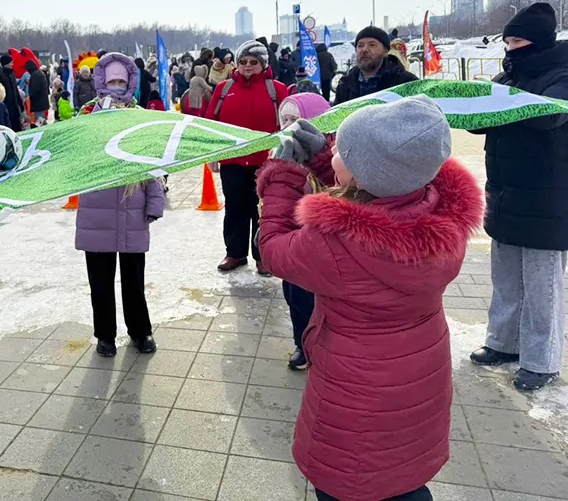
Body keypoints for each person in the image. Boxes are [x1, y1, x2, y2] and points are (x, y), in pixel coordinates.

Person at [257, 97, 482, 501]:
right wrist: (326, 161)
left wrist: (282, 177)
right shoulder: (441, 213)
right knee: (404, 477)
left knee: (349, 481)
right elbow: (379, 197)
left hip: (355, 391)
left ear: (362, 175)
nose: (337, 151)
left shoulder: (335, 244)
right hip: (418, 378)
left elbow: (273, 249)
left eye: (344, 150)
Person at [469, 3, 568, 392]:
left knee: (542, 284)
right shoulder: (505, 77)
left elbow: (548, 116)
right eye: (508, 41)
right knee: (506, 276)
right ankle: (503, 343)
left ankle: (541, 361)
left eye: (519, 40)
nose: (511, 48)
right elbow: (480, 121)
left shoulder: (560, 75)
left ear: (540, 41)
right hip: (505, 192)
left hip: (547, 198)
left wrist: (499, 102)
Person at [76, 52, 164, 357]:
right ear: (102, 82)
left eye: (121, 81)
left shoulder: (139, 116)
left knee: (133, 279)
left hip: (132, 206)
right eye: (111, 80)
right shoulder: (87, 116)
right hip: (96, 208)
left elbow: (153, 162)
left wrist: (155, 201)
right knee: (99, 281)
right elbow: (73, 159)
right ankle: (105, 335)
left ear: (130, 83)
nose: (116, 86)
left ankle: (140, 331)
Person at [206, 41, 288, 273]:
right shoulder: (223, 88)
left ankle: (263, 256)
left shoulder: (278, 90)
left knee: (263, 209)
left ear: (263, 64)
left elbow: (289, 123)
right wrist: (213, 153)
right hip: (233, 160)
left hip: (266, 162)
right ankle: (235, 253)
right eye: (243, 62)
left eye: (254, 62)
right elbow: (211, 122)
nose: (248, 66)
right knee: (235, 207)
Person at [271, 92, 331, 370]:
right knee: (294, 297)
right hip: (293, 243)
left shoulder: (332, 156)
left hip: (324, 246)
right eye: (285, 119)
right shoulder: (281, 151)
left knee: (319, 300)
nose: (289, 126)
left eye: (296, 120)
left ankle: (323, 345)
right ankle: (301, 344)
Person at [334, 27, 417, 105]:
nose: (364, 49)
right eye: (360, 45)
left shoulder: (406, 82)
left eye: (372, 45)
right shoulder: (345, 84)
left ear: (385, 51)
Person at [0, 55, 26, 131]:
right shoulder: (0, 75)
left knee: (17, 125)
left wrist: (20, 104)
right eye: (11, 62)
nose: (12, 64)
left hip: (15, 104)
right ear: (6, 63)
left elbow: (15, 90)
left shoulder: (12, 73)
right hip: (7, 104)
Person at [26, 60, 50, 126]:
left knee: (40, 122)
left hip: (38, 103)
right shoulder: (40, 73)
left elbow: (34, 90)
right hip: (42, 102)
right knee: (42, 120)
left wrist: (29, 85)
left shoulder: (35, 75)